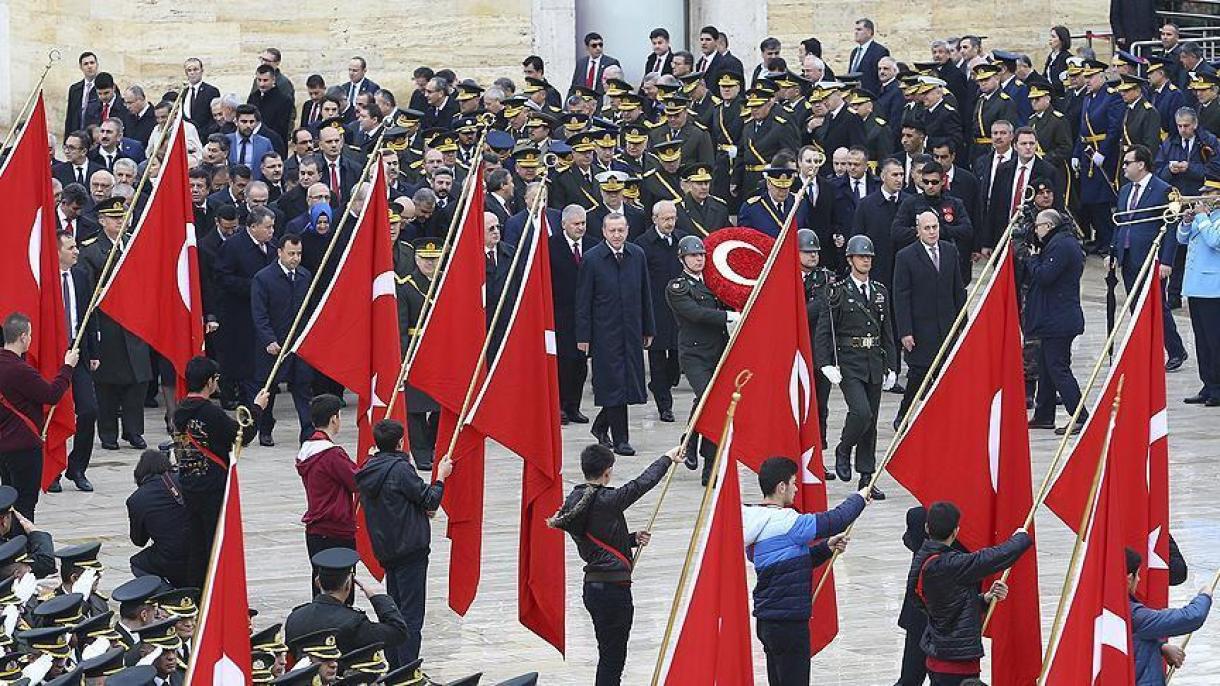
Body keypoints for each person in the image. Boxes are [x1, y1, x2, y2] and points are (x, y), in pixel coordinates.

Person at [548, 443, 684, 686]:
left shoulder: (573, 501)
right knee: (613, 660)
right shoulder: (607, 500)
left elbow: (595, 540)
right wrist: (667, 457)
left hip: (592, 588)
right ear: (607, 472)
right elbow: (642, 483)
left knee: (607, 654)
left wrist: (631, 539)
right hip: (614, 591)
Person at [744, 457, 869, 686]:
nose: (796, 488)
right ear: (781, 487)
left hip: (767, 621)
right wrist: (859, 498)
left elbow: (787, 565)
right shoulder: (786, 522)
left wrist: (826, 548)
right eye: (793, 482)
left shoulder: (753, 521)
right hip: (789, 623)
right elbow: (836, 520)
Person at [354, 419, 452, 667]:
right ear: (400, 443)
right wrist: (440, 477)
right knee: (410, 615)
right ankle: (407, 670)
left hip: (386, 550)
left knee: (393, 612)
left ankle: (396, 665)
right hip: (410, 548)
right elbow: (429, 500)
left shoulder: (368, 469)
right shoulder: (400, 469)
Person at [909, 501, 1032, 684]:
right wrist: (1020, 538)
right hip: (958, 663)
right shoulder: (952, 564)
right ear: (956, 531)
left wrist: (984, 599)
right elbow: (995, 557)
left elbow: (931, 601)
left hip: (936, 657)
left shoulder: (921, 559)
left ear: (927, 527)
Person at [172, 355, 268, 587]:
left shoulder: (179, 411)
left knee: (197, 545)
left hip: (188, 483)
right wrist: (257, 409)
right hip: (212, 487)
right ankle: (218, 591)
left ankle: (195, 593)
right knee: (217, 544)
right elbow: (240, 436)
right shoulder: (209, 413)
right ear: (209, 381)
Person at [814, 235, 897, 499]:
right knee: (860, 413)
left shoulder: (880, 291)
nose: (866, 261)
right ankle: (843, 448)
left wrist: (892, 366)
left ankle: (866, 477)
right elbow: (824, 331)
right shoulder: (837, 291)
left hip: (874, 359)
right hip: (849, 360)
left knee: (871, 421)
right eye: (861, 257)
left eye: (869, 257)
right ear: (850, 259)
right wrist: (825, 362)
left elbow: (888, 332)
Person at [575, 214, 656, 456]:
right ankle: (621, 440)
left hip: (630, 330)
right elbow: (583, 301)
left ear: (628, 230)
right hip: (604, 333)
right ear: (603, 231)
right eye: (612, 231)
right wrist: (583, 336)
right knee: (612, 384)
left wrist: (648, 327)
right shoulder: (592, 259)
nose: (617, 235)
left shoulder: (637, 255)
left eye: (621, 230)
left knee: (627, 384)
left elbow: (645, 293)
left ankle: (601, 426)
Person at [665, 236, 737, 484]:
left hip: (718, 353)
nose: (698, 259)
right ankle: (692, 437)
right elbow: (694, 314)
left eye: (701, 255)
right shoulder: (678, 287)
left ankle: (706, 459)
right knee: (708, 397)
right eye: (693, 255)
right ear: (682, 259)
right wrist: (727, 316)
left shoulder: (714, 283)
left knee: (718, 408)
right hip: (695, 354)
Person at [1112, 144, 1188, 370]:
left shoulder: (1163, 189)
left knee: (1156, 305)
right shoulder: (1125, 190)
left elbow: (1171, 227)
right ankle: (1146, 349)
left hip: (1151, 257)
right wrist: (1114, 251)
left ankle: (1175, 349)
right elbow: (1120, 221)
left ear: (1141, 164)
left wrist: (1166, 261)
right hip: (1128, 255)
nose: (1124, 167)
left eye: (1128, 163)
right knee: (1136, 305)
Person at [0, 312, 78, 518]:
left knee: (7, 500)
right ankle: (22, 546)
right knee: (25, 503)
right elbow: (51, 395)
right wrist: (67, 367)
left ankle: (8, 545)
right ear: (23, 336)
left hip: (3, 446)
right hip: (23, 445)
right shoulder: (20, 370)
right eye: (30, 335)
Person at [892, 211, 966, 427]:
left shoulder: (950, 251)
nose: (932, 232)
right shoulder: (905, 256)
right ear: (918, 230)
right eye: (927, 228)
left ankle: (945, 416)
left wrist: (963, 324)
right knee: (918, 375)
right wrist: (905, 331)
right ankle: (903, 415)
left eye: (935, 227)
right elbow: (901, 296)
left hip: (947, 326)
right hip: (920, 328)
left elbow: (958, 290)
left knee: (948, 375)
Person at [1023, 209, 1087, 435]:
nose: (1036, 230)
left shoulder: (1061, 245)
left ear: (1048, 227)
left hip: (1059, 319)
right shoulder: (1060, 242)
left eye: (1038, 226)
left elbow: (1044, 276)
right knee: (1045, 366)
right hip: (1053, 318)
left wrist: (1032, 258)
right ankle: (1044, 414)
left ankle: (1080, 415)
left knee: (1058, 368)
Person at [283, 547, 409, 658]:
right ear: (348, 585)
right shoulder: (354, 624)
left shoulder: (295, 617)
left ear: (318, 582)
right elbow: (398, 632)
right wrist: (379, 598)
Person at [250, 233, 315, 445]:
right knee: (268, 389)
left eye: (299, 254)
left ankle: (307, 429)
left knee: (303, 387)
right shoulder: (264, 277)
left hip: (298, 344)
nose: (295, 258)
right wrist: (268, 339)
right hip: (274, 344)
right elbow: (259, 314)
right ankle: (265, 429)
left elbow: (309, 311)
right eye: (291, 254)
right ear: (279, 252)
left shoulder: (305, 276)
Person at [51, 230, 98, 494]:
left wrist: (94, 351)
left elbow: (89, 314)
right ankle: (53, 468)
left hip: (77, 353)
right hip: (53, 356)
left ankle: (77, 467)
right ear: (57, 251)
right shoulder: (46, 278)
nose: (76, 251)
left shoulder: (80, 277)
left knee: (89, 409)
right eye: (70, 247)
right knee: (55, 412)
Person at [296, 394, 358, 588]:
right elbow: (358, 481)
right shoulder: (332, 454)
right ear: (334, 418)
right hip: (336, 529)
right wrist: (373, 460)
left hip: (316, 529)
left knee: (320, 583)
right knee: (342, 586)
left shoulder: (307, 450)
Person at [1126, 548, 1213, 686]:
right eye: (1137, 575)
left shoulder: (1098, 610)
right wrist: (1205, 595)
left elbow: (1131, 642)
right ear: (1129, 579)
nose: (1139, 579)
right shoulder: (1134, 614)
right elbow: (1192, 617)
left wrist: (1161, 647)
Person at [634, 200, 686, 423]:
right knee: (656, 359)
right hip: (655, 309)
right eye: (665, 219)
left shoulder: (682, 240)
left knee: (675, 360)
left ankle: (662, 383)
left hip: (679, 309)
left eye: (672, 218)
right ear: (655, 219)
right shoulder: (644, 244)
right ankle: (665, 405)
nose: (670, 223)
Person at [550, 205, 597, 425]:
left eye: (583, 223)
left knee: (580, 364)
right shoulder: (551, 247)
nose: (581, 228)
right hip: (561, 315)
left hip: (587, 315)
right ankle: (559, 407)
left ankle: (573, 406)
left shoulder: (593, 245)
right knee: (563, 364)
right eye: (576, 224)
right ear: (564, 224)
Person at [1177, 177, 1220, 405]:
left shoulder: (1214, 219)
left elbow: (1215, 241)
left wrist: (1202, 217)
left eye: (1208, 193)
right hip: (1195, 287)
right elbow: (1182, 240)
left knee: (1215, 341)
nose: (1202, 197)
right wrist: (1185, 222)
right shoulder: (1203, 218)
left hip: (1214, 290)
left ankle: (1218, 388)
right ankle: (1208, 384)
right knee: (1201, 341)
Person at [125, 449, 190, 587]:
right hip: (200, 550)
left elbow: (139, 540)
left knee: (138, 564)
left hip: (169, 558)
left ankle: (168, 594)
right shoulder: (183, 481)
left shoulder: (137, 499)